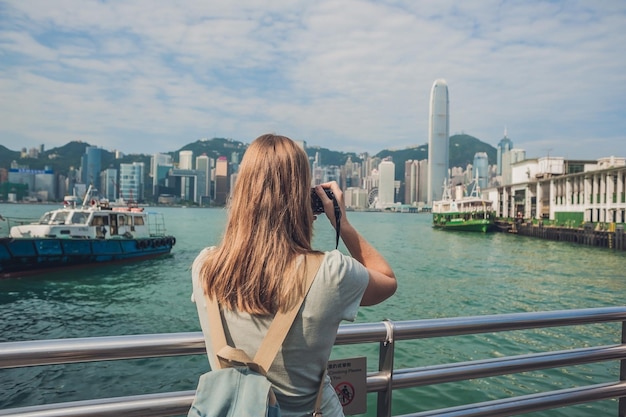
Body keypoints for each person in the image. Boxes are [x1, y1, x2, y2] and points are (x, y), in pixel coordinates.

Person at [191, 133, 397, 417]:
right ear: (302, 197)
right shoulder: (331, 272)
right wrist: (343, 223)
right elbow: (387, 280)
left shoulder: (204, 267)